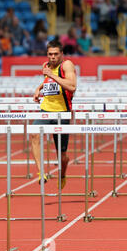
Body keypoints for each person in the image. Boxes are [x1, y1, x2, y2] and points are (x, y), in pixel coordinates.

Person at [31, 39, 77, 189]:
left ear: (62, 54)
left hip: (62, 112)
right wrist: (39, 89)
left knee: (62, 155)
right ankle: (41, 173)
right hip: (45, 110)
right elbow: (48, 81)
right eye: (50, 54)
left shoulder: (66, 65)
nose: (52, 57)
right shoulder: (46, 66)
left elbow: (72, 86)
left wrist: (51, 75)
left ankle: (62, 174)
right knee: (34, 134)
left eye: (56, 54)